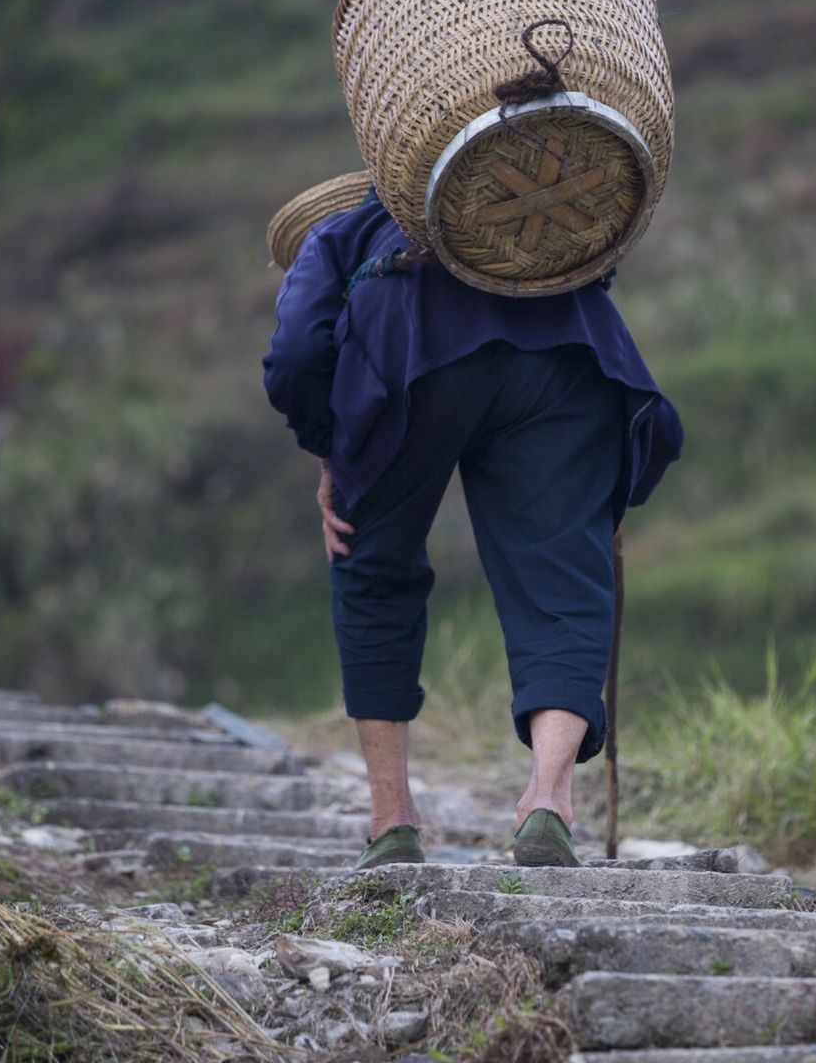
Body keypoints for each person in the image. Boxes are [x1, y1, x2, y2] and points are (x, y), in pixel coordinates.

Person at [263, 187, 682, 868]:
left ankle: (392, 821)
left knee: (373, 570)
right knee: (565, 578)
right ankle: (547, 800)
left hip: (410, 353)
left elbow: (295, 354)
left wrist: (328, 450)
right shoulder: (515, 209)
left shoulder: (340, 231)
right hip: (565, 354)